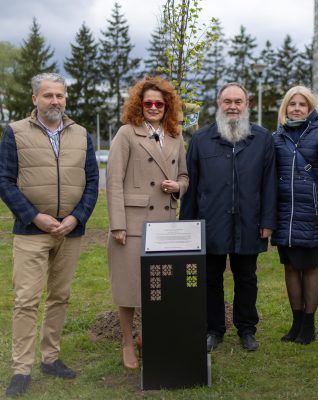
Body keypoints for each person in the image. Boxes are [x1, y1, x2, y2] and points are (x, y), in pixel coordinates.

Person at [0, 73, 99, 397]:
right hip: (32, 231)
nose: (54, 101)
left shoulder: (81, 134)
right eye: (47, 96)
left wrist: (77, 217)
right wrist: (33, 216)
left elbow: (92, 182)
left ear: (65, 98)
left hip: (69, 231)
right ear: (35, 99)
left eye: (59, 95)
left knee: (60, 296)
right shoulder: (14, 132)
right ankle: (21, 368)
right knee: (27, 300)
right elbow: (5, 181)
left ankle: (50, 358)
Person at [180, 82, 277, 353]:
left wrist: (268, 221)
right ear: (218, 104)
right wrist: (187, 226)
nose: (232, 106)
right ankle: (214, 329)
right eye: (227, 101)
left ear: (247, 105)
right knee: (211, 278)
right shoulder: (201, 140)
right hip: (210, 223)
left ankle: (247, 328)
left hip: (249, 221)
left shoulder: (262, 139)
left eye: (238, 101)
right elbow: (192, 186)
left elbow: (269, 183)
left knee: (247, 277)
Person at [106, 76, 189, 369]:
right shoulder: (127, 133)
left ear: (168, 106)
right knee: (129, 287)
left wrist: (177, 187)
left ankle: (147, 335)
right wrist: (118, 224)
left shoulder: (176, 136)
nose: (154, 107)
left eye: (159, 103)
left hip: (164, 225)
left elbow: (185, 177)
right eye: (148, 103)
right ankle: (128, 343)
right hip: (132, 224)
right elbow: (114, 180)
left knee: (158, 287)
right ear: (139, 106)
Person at [271, 86, 318, 345]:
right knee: (290, 268)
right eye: (292, 104)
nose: (296, 108)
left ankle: (309, 325)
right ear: (285, 108)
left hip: (311, 213)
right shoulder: (276, 137)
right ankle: (296, 322)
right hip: (284, 215)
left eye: (302, 104)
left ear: (310, 108)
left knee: (309, 268)